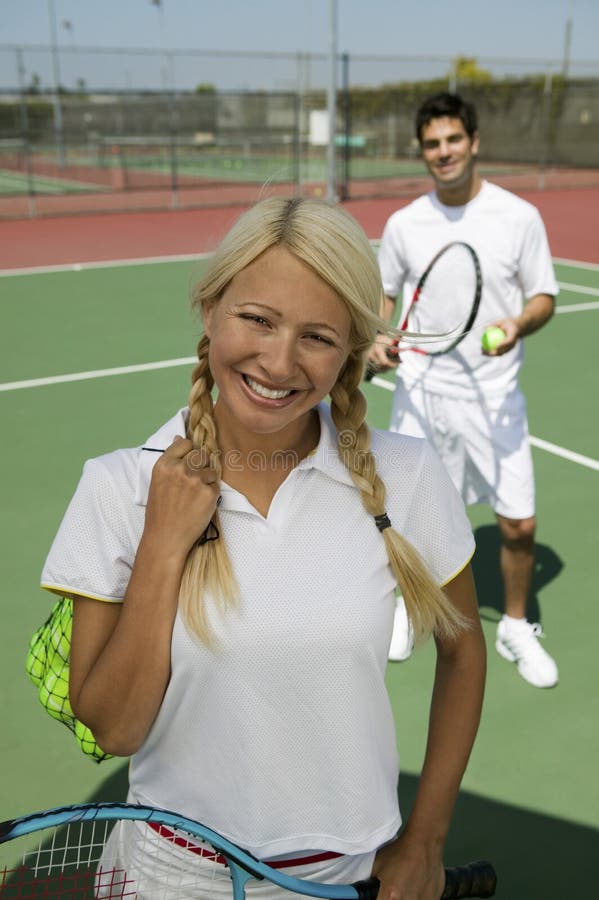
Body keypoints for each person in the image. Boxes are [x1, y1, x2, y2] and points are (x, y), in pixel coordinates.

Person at [40, 197, 486, 900]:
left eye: (317, 336)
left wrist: (425, 839)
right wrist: (162, 540)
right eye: (257, 319)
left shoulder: (408, 474)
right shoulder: (117, 486)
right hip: (166, 877)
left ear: (350, 353)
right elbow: (116, 727)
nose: (279, 363)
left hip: (348, 876)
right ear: (210, 310)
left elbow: (463, 650)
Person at [370, 92, 559, 689]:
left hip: (495, 397)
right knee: (405, 518)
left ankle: (515, 623)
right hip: (422, 392)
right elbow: (386, 303)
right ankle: (408, 606)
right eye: (432, 144)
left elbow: (543, 297)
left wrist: (517, 324)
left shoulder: (519, 217)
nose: (444, 152)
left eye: (454, 140)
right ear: (422, 152)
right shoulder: (404, 225)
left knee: (518, 525)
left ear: (474, 142)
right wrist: (379, 339)